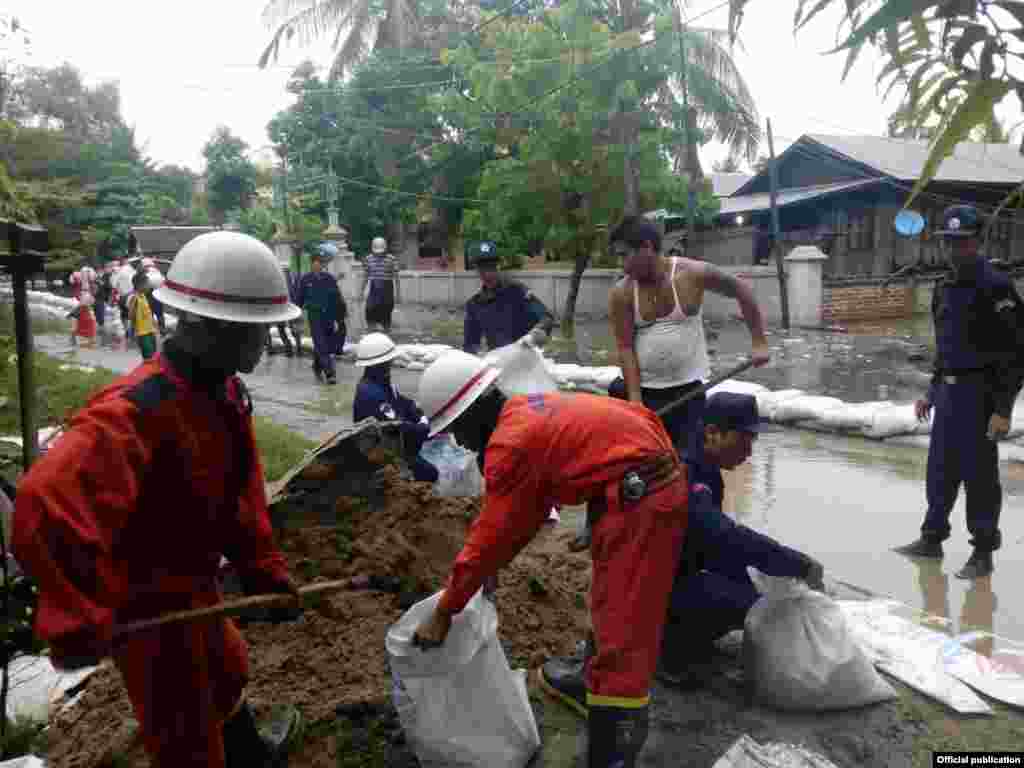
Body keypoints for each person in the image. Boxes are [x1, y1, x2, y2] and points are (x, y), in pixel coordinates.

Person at [12, 231, 303, 768]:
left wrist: (260, 566)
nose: (265, 343)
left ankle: (246, 753)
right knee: (183, 732)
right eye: (255, 332)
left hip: (196, 586)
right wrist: (77, 616)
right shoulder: (135, 414)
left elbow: (240, 490)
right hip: (148, 608)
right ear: (209, 327)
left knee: (227, 668)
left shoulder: (224, 392)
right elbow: (44, 503)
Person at [411, 350, 690, 768]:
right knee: (610, 606)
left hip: (644, 504)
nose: (460, 442)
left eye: (456, 430)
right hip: (636, 489)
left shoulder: (511, 444)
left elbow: (493, 536)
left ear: (473, 414)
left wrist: (446, 610)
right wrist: (601, 516)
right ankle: (590, 686)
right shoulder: (525, 410)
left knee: (624, 638)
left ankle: (613, 752)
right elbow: (527, 514)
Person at [540, 393, 824, 710]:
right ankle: (660, 655)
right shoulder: (682, 469)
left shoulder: (705, 468)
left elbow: (712, 542)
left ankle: (672, 641)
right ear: (713, 432)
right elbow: (721, 534)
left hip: (655, 569)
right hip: (630, 580)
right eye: (744, 440)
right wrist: (795, 563)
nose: (749, 452)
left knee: (746, 591)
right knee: (744, 602)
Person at [894, 205, 1024, 580]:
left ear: (978, 242)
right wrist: (932, 393)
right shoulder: (944, 286)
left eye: (963, 243)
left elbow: (1015, 356)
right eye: (950, 243)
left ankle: (983, 552)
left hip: (980, 396)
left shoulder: (996, 286)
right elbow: (946, 348)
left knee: (979, 477)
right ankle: (931, 539)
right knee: (940, 472)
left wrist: (1002, 409)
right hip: (949, 396)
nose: (955, 251)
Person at [352, 332, 439, 483]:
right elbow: (396, 426)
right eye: (389, 361)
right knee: (430, 474)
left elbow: (401, 401)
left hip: (390, 443)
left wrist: (417, 412)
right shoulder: (372, 394)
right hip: (382, 451)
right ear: (381, 363)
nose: (391, 362)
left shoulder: (379, 382)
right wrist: (422, 427)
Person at [463, 241, 555, 355]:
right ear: (476, 269)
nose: (488, 273)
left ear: (498, 266)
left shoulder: (517, 291)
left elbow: (546, 317)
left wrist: (537, 332)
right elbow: (470, 345)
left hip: (527, 360)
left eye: (491, 267)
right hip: (498, 365)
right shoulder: (474, 305)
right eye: (482, 268)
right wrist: (478, 353)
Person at [297, 252, 344, 385]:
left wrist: (338, 317)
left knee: (326, 345)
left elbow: (337, 299)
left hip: (328, 316)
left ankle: (318, 364)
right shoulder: (305, 279)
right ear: (312, 264)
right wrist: (297, 317)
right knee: (321, 344)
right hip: (315, 316)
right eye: (316, 262)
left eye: (321, 263)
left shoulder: (329, 278)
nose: (319, 265)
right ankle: (330, 374)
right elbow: (299, 299)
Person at [361, 236, 400, 332]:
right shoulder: (368, 259)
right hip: (374, 288)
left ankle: (386, 330)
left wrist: (399, 294)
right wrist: (361, 291)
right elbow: (365, 276)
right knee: (370, 309)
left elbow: (396, 278)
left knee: (386, 310)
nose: (379, 254)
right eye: (376, 252)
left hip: (387, 288)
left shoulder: (391, 259)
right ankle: (371, 329)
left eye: (381, 252)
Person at [266, 259, 302, 357]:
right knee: (292, 329)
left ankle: (287, 348)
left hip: (282, 309)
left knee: (280, 329)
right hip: (289, 308)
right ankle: (296, 349)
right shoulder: (293, 278)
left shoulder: (276, 280)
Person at [128, 272, 158, 360]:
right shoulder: (134, 298)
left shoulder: (143, 296)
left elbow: (148, 313)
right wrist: (132, 334)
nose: (149, 286)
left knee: (154, 356)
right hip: (142, 334)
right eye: (147, 284)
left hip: (150, 331)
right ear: (140, 285)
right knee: (149, 358)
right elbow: (131, 316)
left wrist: (155, 326)